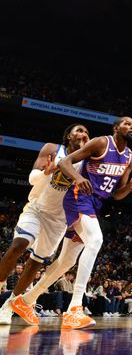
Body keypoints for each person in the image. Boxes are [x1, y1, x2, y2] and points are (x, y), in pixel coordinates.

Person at [12, 117, 132, 330]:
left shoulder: (130, 157)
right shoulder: (101, 143)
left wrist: (130, 187)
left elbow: (116, 195)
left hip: (95, 203)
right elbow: (65, 162)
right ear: (116, 128)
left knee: (66, 262)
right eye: (127, 123)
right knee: (96, 240)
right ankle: (74, 309)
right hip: (77, 197)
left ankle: (26, 300)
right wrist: (78, 178)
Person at [0, 124, 90, 325]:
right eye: (79, 131)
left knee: (35, 263)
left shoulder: (86, 163)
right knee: (19, 245)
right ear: (69, 136)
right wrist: (46, 173)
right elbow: (32, 179)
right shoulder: (52, 149)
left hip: (59, 221)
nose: (83, 135)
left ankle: (9, 306)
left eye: (87, 133)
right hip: (37, 209)